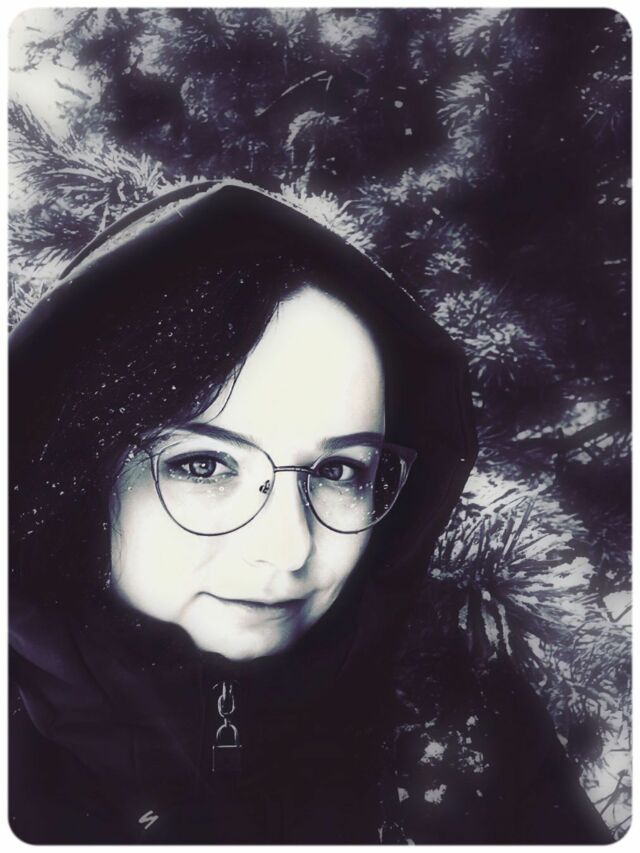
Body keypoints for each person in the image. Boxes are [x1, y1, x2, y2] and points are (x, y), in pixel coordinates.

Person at [9, 180, 612, 844]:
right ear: (80, 473)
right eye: (204, 465)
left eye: (338, 470)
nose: (290, 547)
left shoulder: (460, 710)